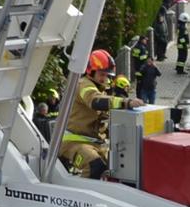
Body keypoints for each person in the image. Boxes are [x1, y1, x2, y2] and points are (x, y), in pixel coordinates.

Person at [61, 50, 142, 178]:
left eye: (107, 75)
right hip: (73, 143)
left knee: (116, 167)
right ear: (90, 71)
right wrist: (126, 102)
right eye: (102, 74)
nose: (105, 78)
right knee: (95, 166)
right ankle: (82, 197)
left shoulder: (100, 88)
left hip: (94, 143)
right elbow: (95, 101)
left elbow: (102, 119)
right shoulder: (84, 85)